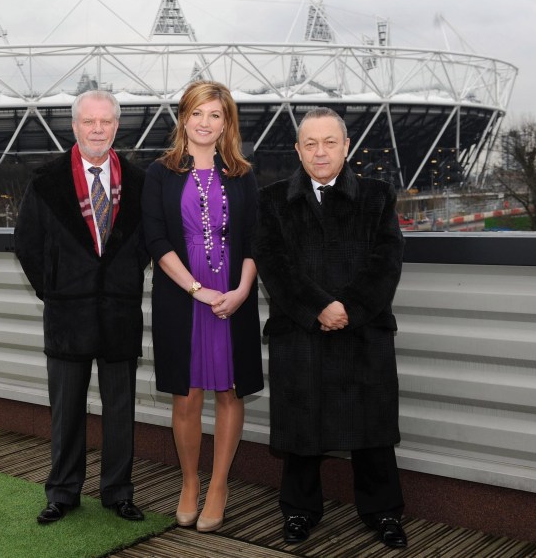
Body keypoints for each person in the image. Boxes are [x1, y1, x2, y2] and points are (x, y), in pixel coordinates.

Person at [253, 107, 408, 549]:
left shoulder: (378, 196)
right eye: (311, 143)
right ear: (299, 150)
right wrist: (319, 308)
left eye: (330, 142)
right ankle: (299, 511)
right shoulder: (273, 200)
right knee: (302, 428)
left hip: (363, 332)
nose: (321, 152)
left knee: (372, 428)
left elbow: (387, 260)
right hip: (300, 332)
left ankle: (383, 513)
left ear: (346, 146)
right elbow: (274, 265)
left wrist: (349, 309)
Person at [14, 89, 149, 525]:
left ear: (116, 126)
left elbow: (144, 245)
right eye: (88, 122)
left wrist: (121, 280)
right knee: (66, 410)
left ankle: (118, 491)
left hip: (119, 313)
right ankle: (63, 492)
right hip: (67, 315)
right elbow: (27, 244)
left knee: (120, 410)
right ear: (74, 127)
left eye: (105, 121)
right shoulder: (47, 180)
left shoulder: (139, 181)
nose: (97, 129)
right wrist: (54, 289)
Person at [142, 80, 263, 533]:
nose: (205, 123)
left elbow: (254, 239)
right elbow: (155, 240)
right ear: (183, 118)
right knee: (187, 393)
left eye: (215, 115)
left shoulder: (244, 174)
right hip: (183, 294)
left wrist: (241, 291)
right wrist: (198, 290)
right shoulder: (160, 172)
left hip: (234, 292)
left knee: (229, 390)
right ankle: (190, 482)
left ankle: (219, 485)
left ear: (226, 122)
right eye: (197, 113)